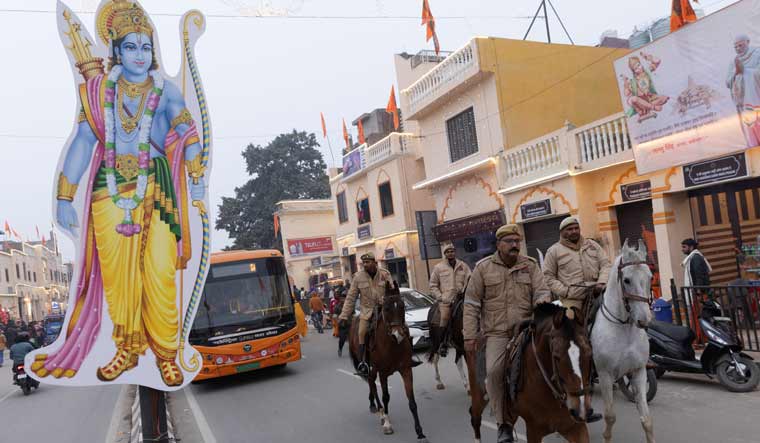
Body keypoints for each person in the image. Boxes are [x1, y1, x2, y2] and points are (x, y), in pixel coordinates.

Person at [33, 0, 206, 387]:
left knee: (160, 273)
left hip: (157, 188)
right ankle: (128, 351)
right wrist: (65, 195)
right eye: (131, 47)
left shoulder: (164, 91)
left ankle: (165, 354)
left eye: (147, 47)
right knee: (119, 280)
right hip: (107, 194)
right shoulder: (95, 92)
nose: (141, 55)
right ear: (114, 50)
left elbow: (186, 130)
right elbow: (82, 140)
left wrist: (196, 168)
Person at [463, 224, 551, 443]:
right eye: (509, 241)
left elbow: (542, 290)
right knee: (493, 372)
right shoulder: (483, 268)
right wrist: (469, 336)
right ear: (498, 245)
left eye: (517, 241)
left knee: (564, 353)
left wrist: (541, 303)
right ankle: (504, 424)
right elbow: (472, 304)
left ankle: (572, 407)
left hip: (529, 328)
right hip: (498, 333)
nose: (514, 245)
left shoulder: (529, 265)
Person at [543, 217, 611, 317]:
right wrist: (565, 292)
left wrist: (602, 282)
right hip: (573, 298)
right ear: (562, 232)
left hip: (598, 292)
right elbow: (548, 277)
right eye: (569, 229)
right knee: (570, 322)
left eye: (576, 228)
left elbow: (606, 264)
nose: (574, 231)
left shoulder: (592, 245)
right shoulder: (553, 251)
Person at [339, 252, 392, 376]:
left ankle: (407, 356)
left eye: (368, 262)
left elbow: (393, 291)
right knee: (362, 333)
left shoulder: (385, 274)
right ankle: (363, 363)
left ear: (375, 262)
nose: (366, 265)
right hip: (367, 312)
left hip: (385, 310)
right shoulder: (358, 277)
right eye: (364, 263)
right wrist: (343, 316)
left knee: (402, 327)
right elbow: (351, 298)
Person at [429, 242, 471, 357]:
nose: (450, 253)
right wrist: (440, 297)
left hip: (462, 298)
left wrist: (466, 290)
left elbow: (470, 279)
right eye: (448, 252)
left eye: (452, 251)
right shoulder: (438, 268)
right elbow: (432, 285)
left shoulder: (463, 265)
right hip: (447, 300)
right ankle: (443, 344)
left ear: (455, 252)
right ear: (445, 254)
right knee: (444, 317)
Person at [726, 34, 760, 146]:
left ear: (748, 42)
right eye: (735, 47)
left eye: (741, 45)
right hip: (744, 104)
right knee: (750, 130)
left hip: (757, 100)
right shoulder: (734, 61)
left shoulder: (757, 53)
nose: (738, 49)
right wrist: (736, 73)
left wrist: (744, 71)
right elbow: (727, 82)